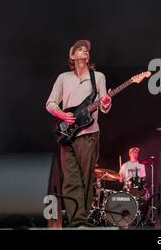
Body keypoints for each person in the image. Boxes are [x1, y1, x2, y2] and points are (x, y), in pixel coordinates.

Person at [46, 39, 112, 227]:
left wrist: (106, 103)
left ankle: (82, 220)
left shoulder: (98, 76)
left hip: (89, 134)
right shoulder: (63, 78)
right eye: (80, 49)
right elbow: (50, 103)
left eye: (86, 50)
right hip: (67, 134)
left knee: (86, 179)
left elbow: (103, 104)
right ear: (72, 56)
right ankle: (78, 223)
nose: (85, 52)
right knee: (70, 180)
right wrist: (62, 115)